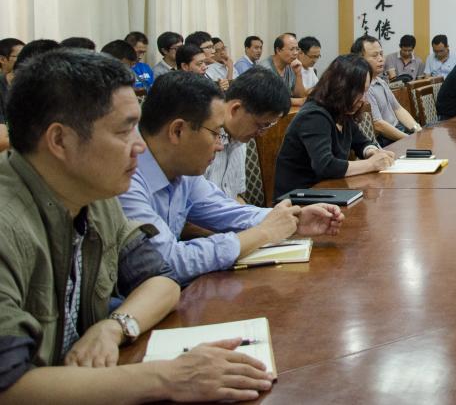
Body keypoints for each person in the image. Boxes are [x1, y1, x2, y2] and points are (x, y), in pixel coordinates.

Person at [0, 49, 273, 402]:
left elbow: (161, 280)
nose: (140, 146)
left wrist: (114, 327)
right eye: (125, 130)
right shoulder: (10, 223)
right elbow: (9, 387)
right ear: (60, 140)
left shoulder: (94, 198)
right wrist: (168, 378)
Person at [118, 71, 343, 284]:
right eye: (215, 133)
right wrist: (262, 233)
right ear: (178, 131)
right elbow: (166, 262)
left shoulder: (184, 171)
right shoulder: (126, 180)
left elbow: (225, 210)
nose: (220, 145)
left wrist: (294, 218)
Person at [274, 55, 395, 198]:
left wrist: (373, 152)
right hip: (299, 198)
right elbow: (325, 166)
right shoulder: (314, 115)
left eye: (365, 91)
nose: (364, 99)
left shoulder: (342, 111)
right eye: (359, 92)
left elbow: (361, 142)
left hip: (328, 191)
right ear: (340, 88)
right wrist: (371, 164)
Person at [205, 68, 292, 201]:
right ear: (236, 109)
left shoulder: (239, 140)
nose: (262, 134)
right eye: (261, 125)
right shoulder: (201, 141)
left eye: (268, 126)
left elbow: (236, 197)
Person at [352, 35, 422, 146]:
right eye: (375, 55)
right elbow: (378, 125)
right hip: (386, 139)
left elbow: (398, 109)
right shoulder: (364, 87)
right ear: (360, 59)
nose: (381, 59)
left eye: (381, 54)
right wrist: (409, 139)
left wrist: (417, 129)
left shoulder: (380, 81)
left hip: (399, 131)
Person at [258, 32, 306, 102]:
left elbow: (300, 95)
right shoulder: (263, 69)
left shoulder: (291, 65)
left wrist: (298, 74)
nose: (296, 53)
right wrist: (296, 102)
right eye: (292, 49)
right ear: (278, 50)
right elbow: (267, 99)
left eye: (297, 49)